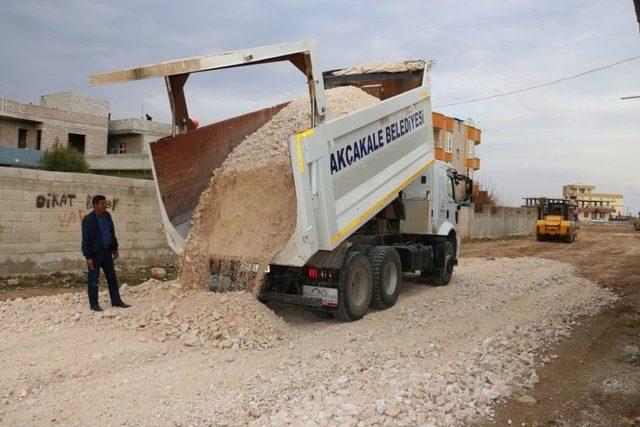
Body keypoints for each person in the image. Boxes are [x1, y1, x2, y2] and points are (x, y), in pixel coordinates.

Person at [81, 195, 130, 311]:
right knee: (93, 280)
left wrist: (115, 248)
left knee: (112, 278)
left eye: (105, 203)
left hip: (107, 253)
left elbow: (111, 233)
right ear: (95, 205)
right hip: (95, 255)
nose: (105, 206)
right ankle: (94, 305)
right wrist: (88, 257)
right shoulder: (88, 219)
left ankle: (116, 301)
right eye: (102, 203)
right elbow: (86, 239)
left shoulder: (107, 216)